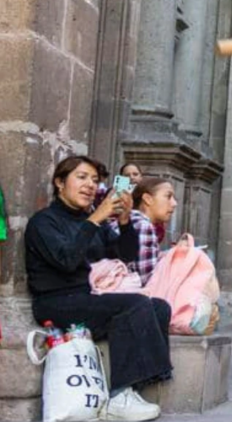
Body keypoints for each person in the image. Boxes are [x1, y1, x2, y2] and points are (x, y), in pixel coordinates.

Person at [25, 156, 171, 421]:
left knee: (158, 306)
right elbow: (67, 260)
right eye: (81, 178)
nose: (90, 185)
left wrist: (125, 222)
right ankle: (118, 395)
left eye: (94, 180)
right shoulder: (44, 222)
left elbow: (125, 258)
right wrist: (95, 218)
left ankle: (135, 386)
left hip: (88, 297)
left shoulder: (94, 221)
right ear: (60, 182)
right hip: (56, 301)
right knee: (135, 305)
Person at [123, 178, 178, 285]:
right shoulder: (144, 226)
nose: (174, 203)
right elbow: (147, 279)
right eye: (168, 196)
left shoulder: (131, 220)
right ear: (148, 199)